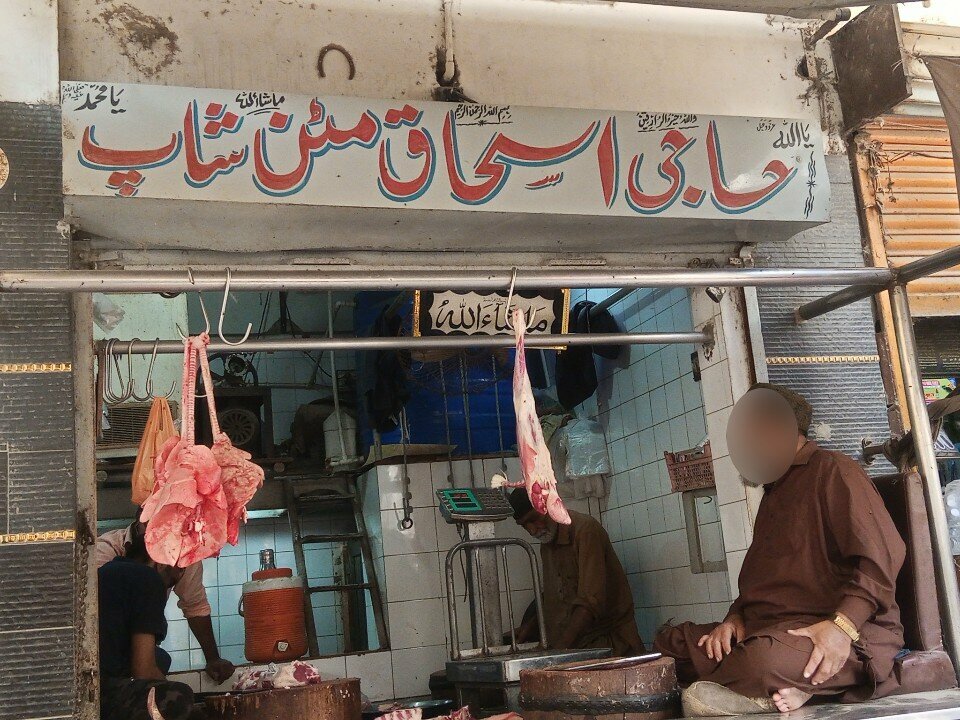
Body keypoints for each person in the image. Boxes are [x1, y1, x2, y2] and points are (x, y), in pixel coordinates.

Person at [655, 383, 906, 716]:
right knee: (668, 648)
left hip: (844, 630)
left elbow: (882, 559)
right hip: (770, 628)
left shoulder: (834, 470)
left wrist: (840, 627)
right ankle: (773, 689)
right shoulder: (775, 491)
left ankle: (782, 686)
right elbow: (761, 584)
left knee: (760, 662)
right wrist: (733, 621)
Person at [96, 511, 235, 683]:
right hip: (99, 652)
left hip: (120, 659)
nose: (181, 570)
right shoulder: (108, 550)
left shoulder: (178, 555)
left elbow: (195, 606)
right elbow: (144, 671)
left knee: (161, 659)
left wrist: (212, 658)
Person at [509, 488, 645, 655]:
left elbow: (590, 602)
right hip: (577, 647)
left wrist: (559, 651)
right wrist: (530, 627)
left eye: (534, 520)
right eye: (524, 526)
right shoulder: (547, 544)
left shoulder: (585, 531)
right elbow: (554, 599)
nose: (531, 530)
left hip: (610, 646)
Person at [99, 527, 205, 720]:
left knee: (162, 658)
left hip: (90, 687)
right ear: (161, 560)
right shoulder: (147, 579)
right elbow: (143, 669)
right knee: (178, 696)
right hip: (103, 694)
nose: (179, 576)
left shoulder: (108, 571)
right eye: (180, 567)